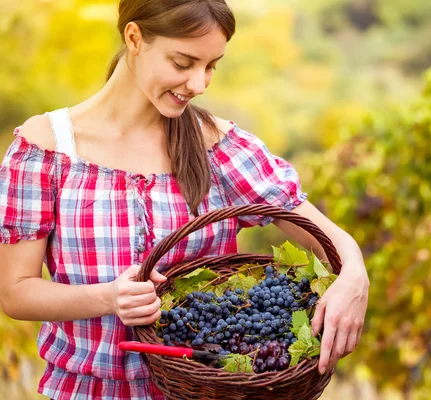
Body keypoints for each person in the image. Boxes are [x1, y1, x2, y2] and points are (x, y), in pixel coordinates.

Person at [0, 0, 370, 398]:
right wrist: (107, 297)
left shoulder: (221, 147)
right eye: (183, 63)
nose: (199, 84)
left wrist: (354, 274)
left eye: (211, 66)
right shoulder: (47, 149)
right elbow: (16, 291)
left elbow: (330, 240)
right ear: (134, 38)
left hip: (207, 392)